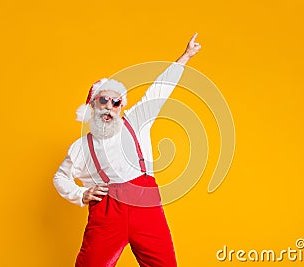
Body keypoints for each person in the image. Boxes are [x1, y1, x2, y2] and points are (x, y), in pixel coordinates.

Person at [53, 33, 201, 267]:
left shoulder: (137, 121)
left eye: (116, 102)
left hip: (147, 211)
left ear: (122, 106)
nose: (110, 107)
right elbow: (60, 176)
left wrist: (185, 56)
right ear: (92, 106)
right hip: (107, 216)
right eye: (103, 101)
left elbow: (159, 90)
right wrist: (80, 194)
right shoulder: (81, 147)